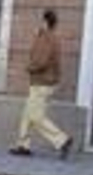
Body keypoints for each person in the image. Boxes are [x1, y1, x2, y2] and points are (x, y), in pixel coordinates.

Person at [11, 9, 73, 160]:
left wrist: (29, 68)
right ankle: (23, 145)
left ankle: (62, 140)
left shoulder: (46, 38)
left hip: (42, 82)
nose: (39, 23)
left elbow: (42, 61)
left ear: (45, 22)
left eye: (41, 20)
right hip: (42, 81)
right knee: (27, 114)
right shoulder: (49, 37)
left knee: (36, 116)